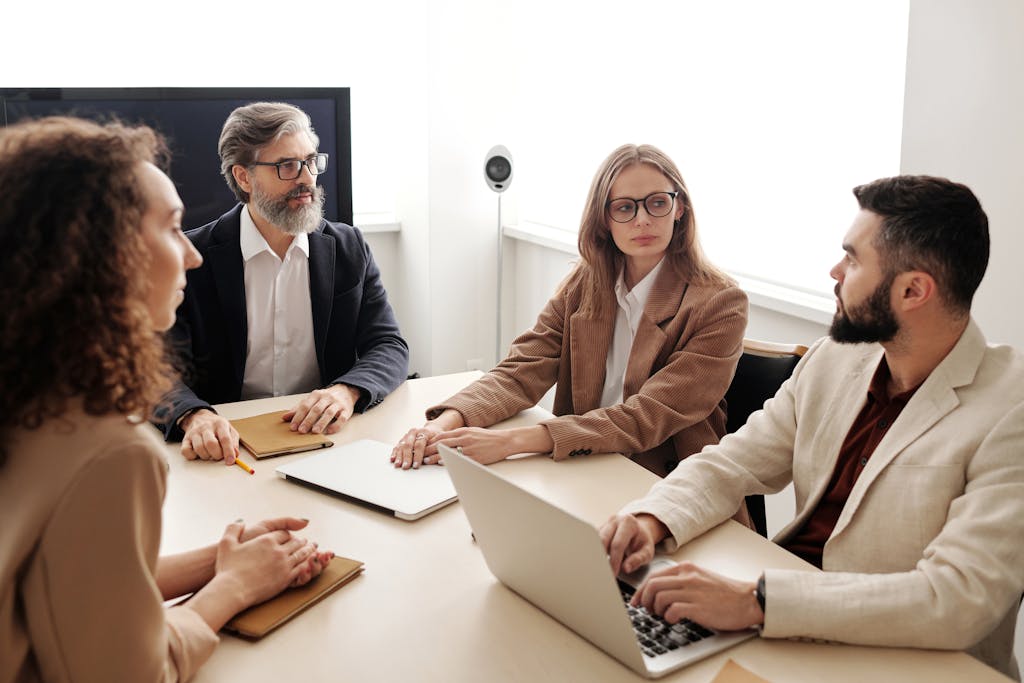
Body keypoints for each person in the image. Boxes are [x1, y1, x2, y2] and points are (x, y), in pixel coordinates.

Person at [600, 175, 1024, 678]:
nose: (835, 271)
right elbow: (734, 462)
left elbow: (956, 599)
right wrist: (653, 519)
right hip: (781, 631)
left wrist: (755, 601)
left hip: (903, 661)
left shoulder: (1009, 409)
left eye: (853, 259)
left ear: (914, 290)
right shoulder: (837, 358)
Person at [0, 116, 334, 681]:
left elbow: (69, 576)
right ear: (100, 254)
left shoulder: (30, 404)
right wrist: (232, 587)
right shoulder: (112, 453)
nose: (193, 254)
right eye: (174, 228)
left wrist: (218, 558)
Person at [393, 144, 748, 480]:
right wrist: (441, 425)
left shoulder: (720, 303)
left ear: (680, 208)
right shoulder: (586, 283)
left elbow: (646, 417)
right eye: (625, 207)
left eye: (657, 203)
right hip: (583, 467)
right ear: (604, 219)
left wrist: (511, 442)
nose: (642, 220)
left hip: (664, 484)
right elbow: (522, 370)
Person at [156, 101, 409, 464]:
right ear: (244, 177)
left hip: (326, 438)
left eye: (310, 161)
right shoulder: (192, 255)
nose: (306, 178)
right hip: (227, 446)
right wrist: (193, 415)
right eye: (287, 166)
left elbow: (388, 344)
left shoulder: (348, 246)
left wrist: (346, 391)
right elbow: (152, 370)